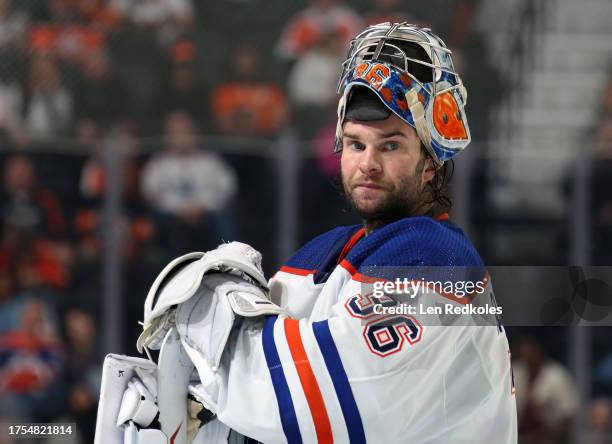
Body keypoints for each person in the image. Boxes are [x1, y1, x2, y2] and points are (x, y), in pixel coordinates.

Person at [96, 23, 517, 443]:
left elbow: (313, 401)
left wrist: (208, 318)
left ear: (430, 163)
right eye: (355, 144)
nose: (367, 162)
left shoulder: (435, 258)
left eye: (390, 146)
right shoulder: (328, 251)